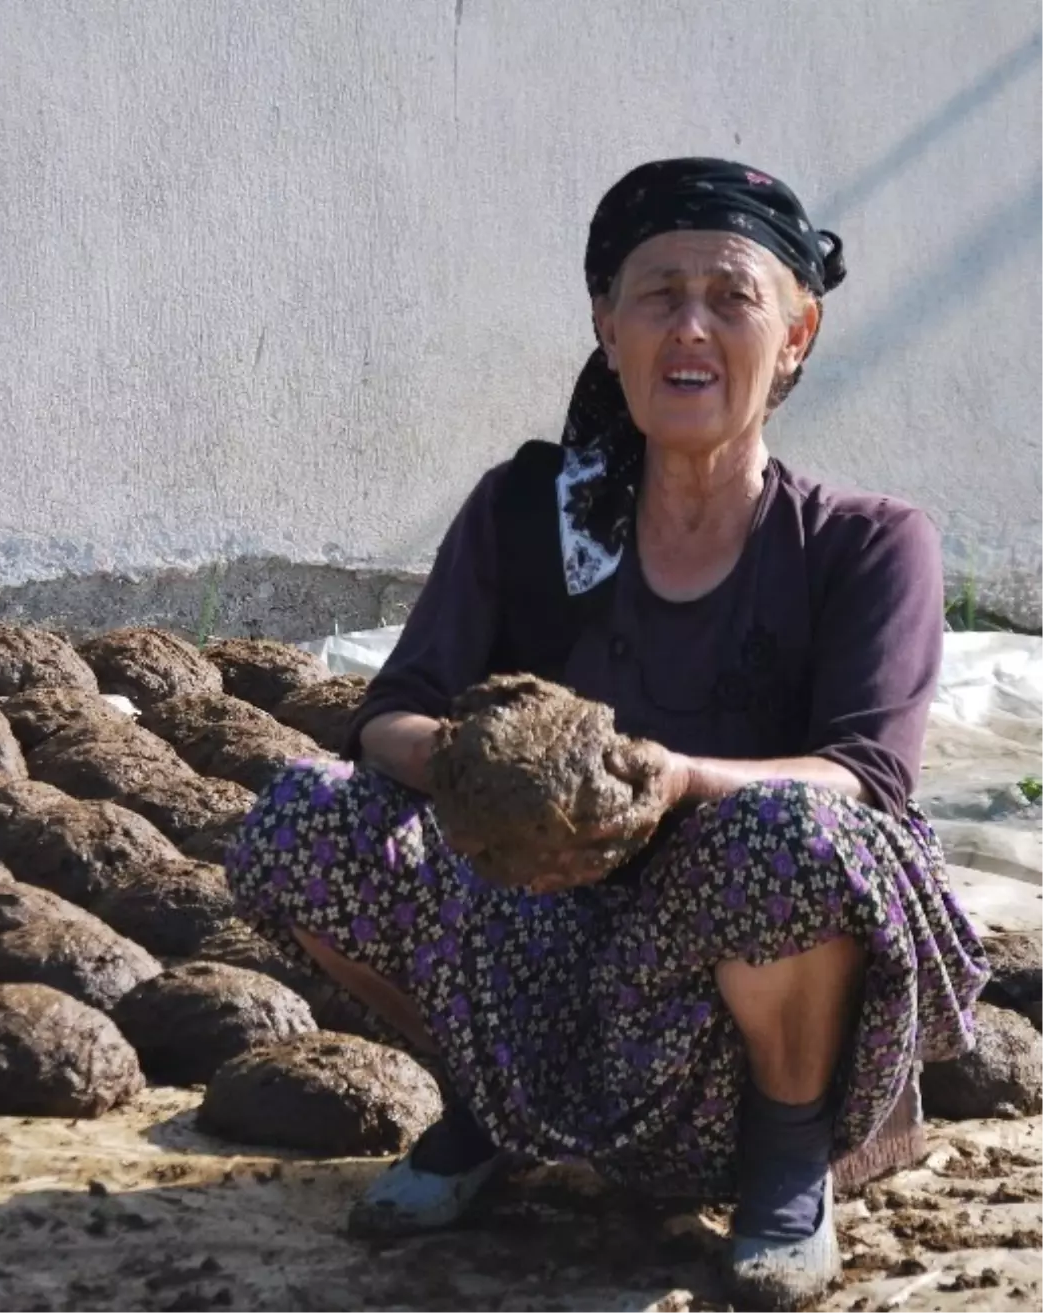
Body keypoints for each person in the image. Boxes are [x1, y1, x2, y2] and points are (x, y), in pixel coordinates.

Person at [225, 158, 988, 1310]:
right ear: (607, 324)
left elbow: (867, 773)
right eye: (657, 294)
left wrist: (673, 780)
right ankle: (496, 1104)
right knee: (302, 823)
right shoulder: (529, 516)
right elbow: (389, 710)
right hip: (548, 947)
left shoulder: (868, 542)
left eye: (731, 297)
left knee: (790, 831)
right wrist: (472, 765)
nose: (691, 325)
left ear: (796, 332)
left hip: (748, 992)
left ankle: (786, 1162)